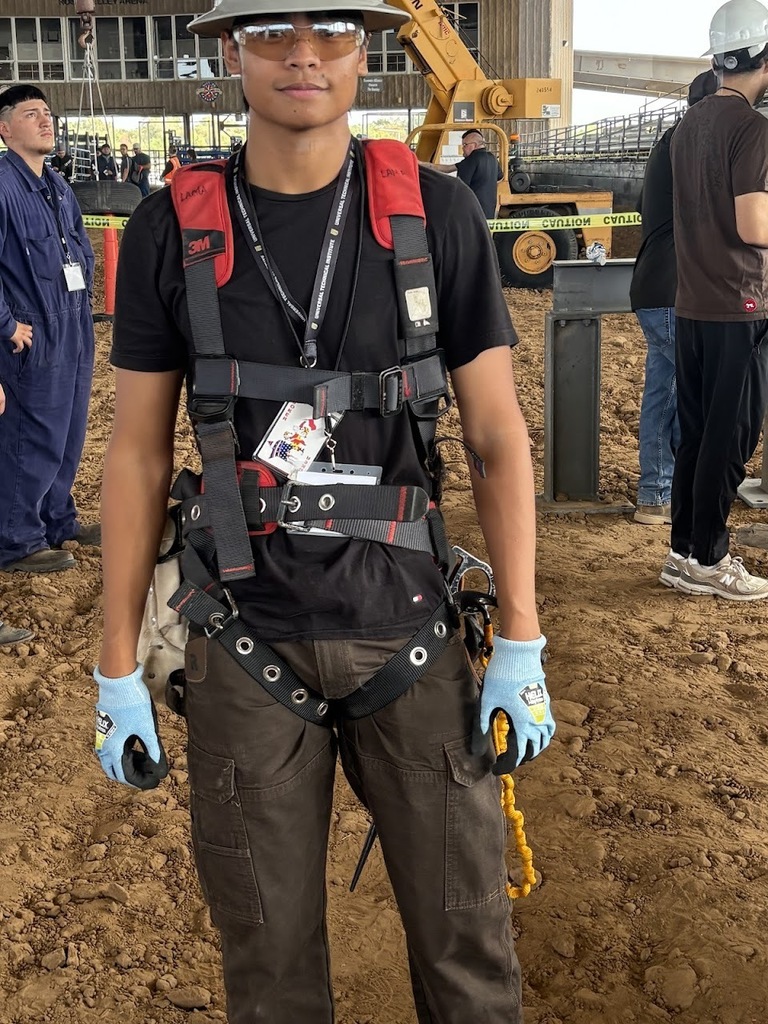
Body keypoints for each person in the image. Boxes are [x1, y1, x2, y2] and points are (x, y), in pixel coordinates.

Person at [94, 3, 554, 1023]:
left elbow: (496, 437)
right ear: (230, 50)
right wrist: (115, 661)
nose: (303, 51)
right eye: (271, 29)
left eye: (333, 26)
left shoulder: (435, 214)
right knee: (268, 972)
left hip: (411, 632)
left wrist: (520, 635)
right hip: (240, 638)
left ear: (366, 46)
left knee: (468, 950)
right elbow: (134, 453)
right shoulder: (174, 227)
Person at [661, 0, 768, 599]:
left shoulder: (689, 126)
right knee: (730, 437)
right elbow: (753, 224)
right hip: (740, 305)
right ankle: (710, 557)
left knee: (696, 435)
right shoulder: (753, 129)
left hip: (694, 303)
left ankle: (683, 551)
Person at [0, 85, 98, 574]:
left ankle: (58, 519)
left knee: (69, 431)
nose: (46, 121)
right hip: (30, 332)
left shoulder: (56, 185)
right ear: (4, 129)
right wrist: (5, 324)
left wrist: (82, 306)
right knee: (31, 435)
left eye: (48, 113)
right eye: (31, 113)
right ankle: (17, 539)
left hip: (74, 325)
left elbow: (82, 247)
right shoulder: (1, 185)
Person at [629, 70, 719, 527]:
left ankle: (655, 493)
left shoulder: (671, 140)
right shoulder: (693, 142)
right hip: (676, 287)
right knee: (685, 396)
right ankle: (667, 492)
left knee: (663, 390)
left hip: (658, 284)